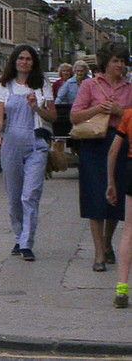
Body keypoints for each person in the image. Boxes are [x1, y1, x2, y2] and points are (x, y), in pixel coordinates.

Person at [0, 44, 55, 262]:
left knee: (30, 195)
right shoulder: (4, 85)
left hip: (36, 142)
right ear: (15, 61)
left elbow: (53, 116)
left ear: (34, 62)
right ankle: (18, 237)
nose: (24, 62)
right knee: (15, 197)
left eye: (28, 59)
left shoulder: (42, 85)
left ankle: (27, 242)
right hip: (11, 144)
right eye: (21, 58)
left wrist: (37, 106)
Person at [73, 42, 132, 271]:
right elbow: (75, 116)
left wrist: (120, 112)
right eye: (116, 60)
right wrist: (98, 109)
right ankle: (98, 252)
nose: (120, 65)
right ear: (106, 63)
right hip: (94, 145)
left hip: (120, 144)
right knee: (94, 197)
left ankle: (108, 242)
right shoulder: (90, 85)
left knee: (115, 198)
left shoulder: (129, 88)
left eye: (123, 61)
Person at [105, 57, 132, 307]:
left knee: (129, 231)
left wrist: (111, 182)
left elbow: (114, 151)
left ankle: (122, 289)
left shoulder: (128, 116)